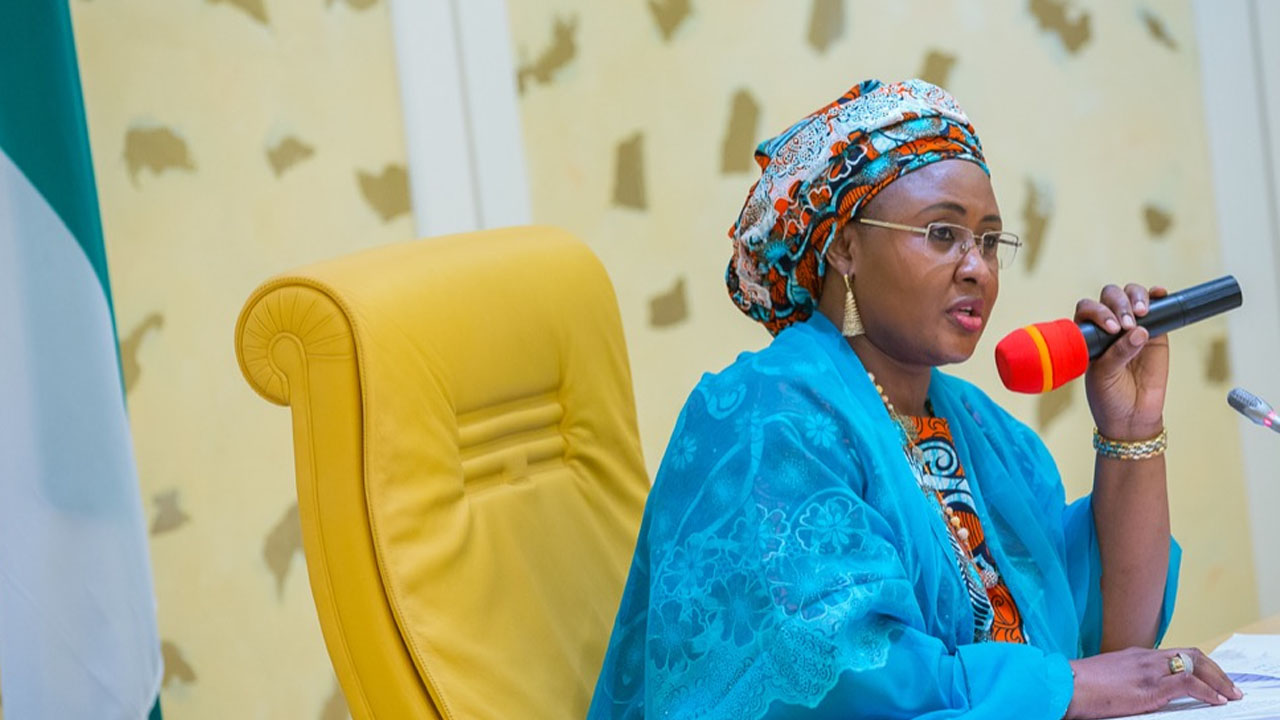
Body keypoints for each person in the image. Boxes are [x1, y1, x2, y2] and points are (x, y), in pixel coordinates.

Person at [587, 79, 1243, 719]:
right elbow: (846, 676)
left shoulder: (987, 434)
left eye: (990, 241)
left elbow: (1112, 643)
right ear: (845, 248)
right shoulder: (765, 418)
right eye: (942, 233)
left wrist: (1131, 428)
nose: (977, 267)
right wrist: (1059, 689)